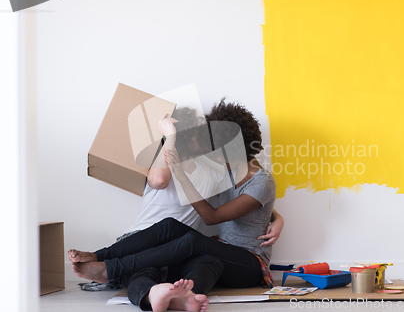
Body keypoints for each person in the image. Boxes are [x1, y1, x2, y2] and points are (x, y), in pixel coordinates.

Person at [69, 99, 279, 312]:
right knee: (179, 234)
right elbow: (252, 204)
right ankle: (186, 296)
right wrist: (277, 218)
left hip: (250, 261)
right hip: (221, 250)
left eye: (215, 147)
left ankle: (111, 269)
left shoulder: (260, 182)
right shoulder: (229, 171)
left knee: (192, 241)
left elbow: (212, 217)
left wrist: (181, 174)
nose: (211, 152)